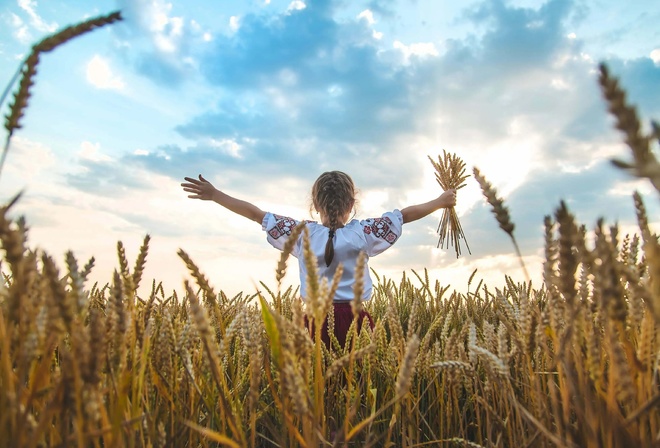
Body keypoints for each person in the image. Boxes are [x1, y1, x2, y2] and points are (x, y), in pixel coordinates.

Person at [181, 171, 457, 348]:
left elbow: (256, 214)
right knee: (358, 386)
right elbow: (404, 215)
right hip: (357, 321)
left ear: (314, 205)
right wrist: (441, 201)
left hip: (312, 322)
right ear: (352, 204)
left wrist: (216, 195)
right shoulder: (363, 232)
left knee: (316, 389)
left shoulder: (301, 234)